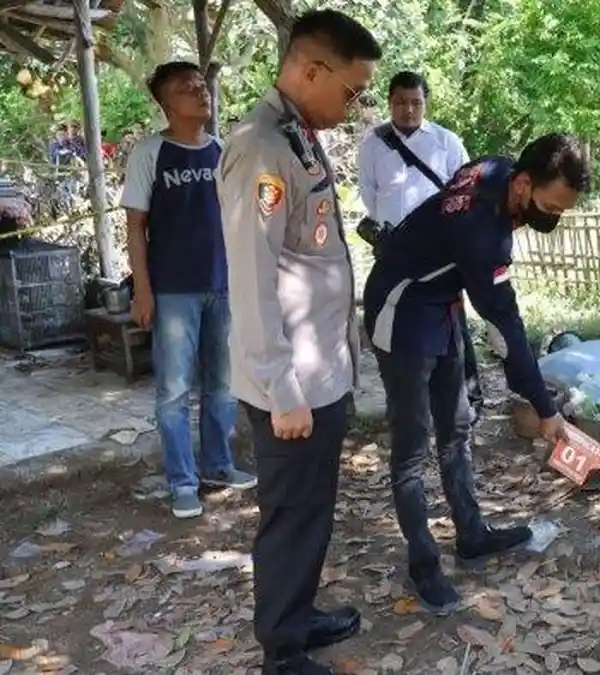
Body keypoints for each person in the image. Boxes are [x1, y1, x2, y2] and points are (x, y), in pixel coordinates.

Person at [216, 10, 380, 675]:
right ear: (311, 71)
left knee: (313, 506)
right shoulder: (260, 147)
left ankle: (299, 611)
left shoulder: (299, 136)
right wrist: (281, 387)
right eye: (351, 89)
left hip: (321, 371)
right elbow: (253, 281)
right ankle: (281, 649)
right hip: (290, 384)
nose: (357, 102)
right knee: (289, 512)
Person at [362, 132, 588, 615]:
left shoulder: (495, 168)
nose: (554, 217)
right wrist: (546, 410)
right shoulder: (482, 233)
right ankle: (424, 564)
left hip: (441, 306)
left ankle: (471, 535)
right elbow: (506, 327)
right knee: (411, 446)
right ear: (525, 185)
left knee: (457, 426)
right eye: (551, 206)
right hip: (400, 309)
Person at [119, 61, 256, 520]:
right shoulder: (150, 153)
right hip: (174, 290)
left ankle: (218, 464)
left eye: (201, 84)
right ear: (166, 105)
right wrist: (143, 290)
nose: (201, 92)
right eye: (187, 88)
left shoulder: (220, 151)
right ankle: (182, 481)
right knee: (174, 392)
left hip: (223, 286)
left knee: (222, 385)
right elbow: (135, 225)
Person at [356, 71, 485, 413]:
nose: (408, 110)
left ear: (425, 103)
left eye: (416, 103)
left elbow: (466, 193)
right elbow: (370, 195)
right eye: (400, 103)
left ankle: (467, 398)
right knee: (397, 321)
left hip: (441, 252)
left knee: (451, 321)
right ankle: (412, 403)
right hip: (394, 250)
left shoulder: (446, 142)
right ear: (390, 103)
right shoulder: (372, 145)